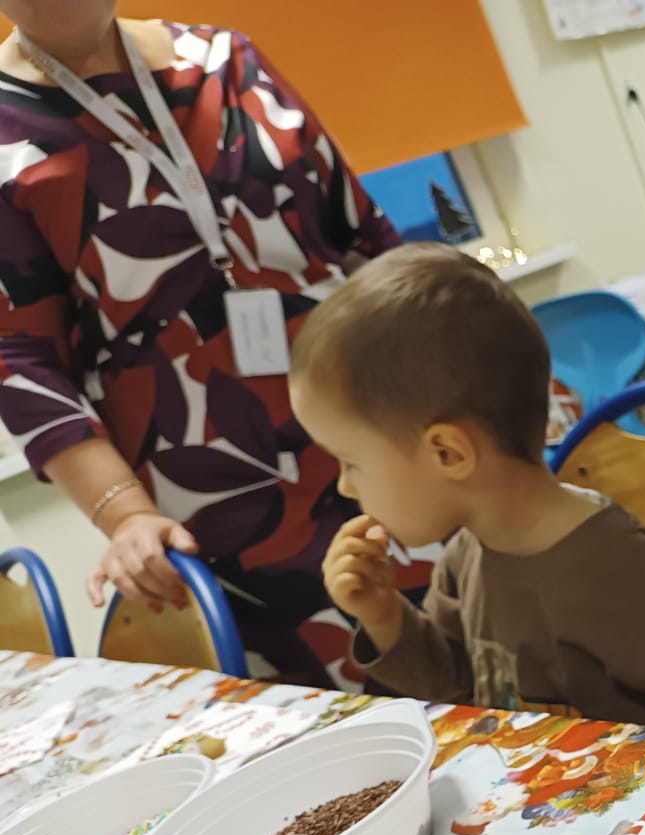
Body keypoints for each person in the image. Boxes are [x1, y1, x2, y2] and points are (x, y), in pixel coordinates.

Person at [0, 4, 416, 686]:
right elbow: (20, 361)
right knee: (356, 705)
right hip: (222, 497)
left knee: (483, 665)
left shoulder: (228, 58)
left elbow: (361, 233)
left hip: (385, 430)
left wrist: (460, 377)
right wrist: (126, 515)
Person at [290, 243, 645, 731]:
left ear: (448, 453)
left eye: (351, 462)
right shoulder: (465, 557)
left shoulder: (638, 582)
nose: (344, 487)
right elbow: (459, 695)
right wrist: (385, 618)